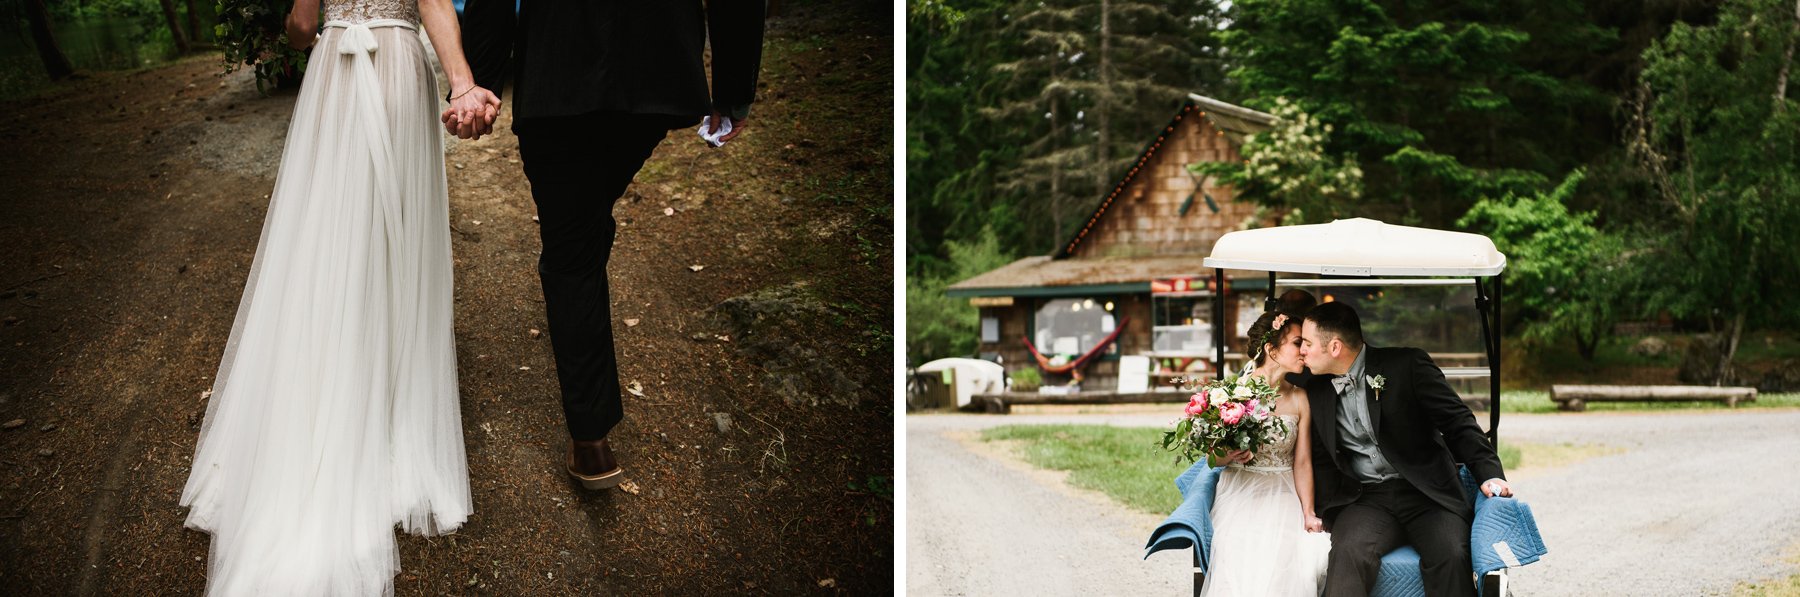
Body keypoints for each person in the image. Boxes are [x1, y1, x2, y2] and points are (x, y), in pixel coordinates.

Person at [180, 0, 496, 593]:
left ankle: (331, 390)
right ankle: (392, 398)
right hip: (398, 65)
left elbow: (301, 28)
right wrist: (462, 84)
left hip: (337, 71)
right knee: (393, 228)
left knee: (329, 229)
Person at [456, 1, 765, 490]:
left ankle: (591, 437)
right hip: (656, 60)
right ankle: (590, 423)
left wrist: (481, 77)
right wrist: (734, 90)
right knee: (582, 224)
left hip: (560, 68)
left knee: (572, 247)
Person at [1297, 302, 1512, 597]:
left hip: (1427, 493)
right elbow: (1318, 457)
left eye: (1307, 343)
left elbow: (1458, 422)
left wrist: (1490, 473)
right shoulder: (1311, 387)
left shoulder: (1407, 366)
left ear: (1334, 347)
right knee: (1348, 553)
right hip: (1366, 499)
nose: (1302, 351)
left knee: (1451, 553)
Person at [1204, 307, 1331, 596]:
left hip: (1284, 487)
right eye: (1298, 343)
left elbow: (1302, 462)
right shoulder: (1233, 393)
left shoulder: (1300, 397)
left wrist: (1308, 513)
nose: (1304, 351)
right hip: (1241, 488)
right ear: (1271, 349)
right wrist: (1232, 453)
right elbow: (1212, 457)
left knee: (1285, 555)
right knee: (1239, 548)